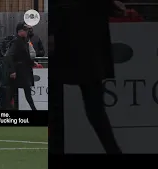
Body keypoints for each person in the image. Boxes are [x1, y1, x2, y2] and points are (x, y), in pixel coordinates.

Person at [49, 0, 126, 154]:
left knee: (92, 108)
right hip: (75, 40)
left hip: (79, 41)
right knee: (87, 107)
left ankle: (114, 151)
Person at [5, 22, 38, 110]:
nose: (27, 32)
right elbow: (9, 56)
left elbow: (24, 56)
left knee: (17, 93)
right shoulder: (16, 41)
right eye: (25, 30)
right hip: (18, 71)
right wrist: (12, 71)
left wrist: (32, 63)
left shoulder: (23, 41)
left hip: (23, 70)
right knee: (15, 93)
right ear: (20, 31)